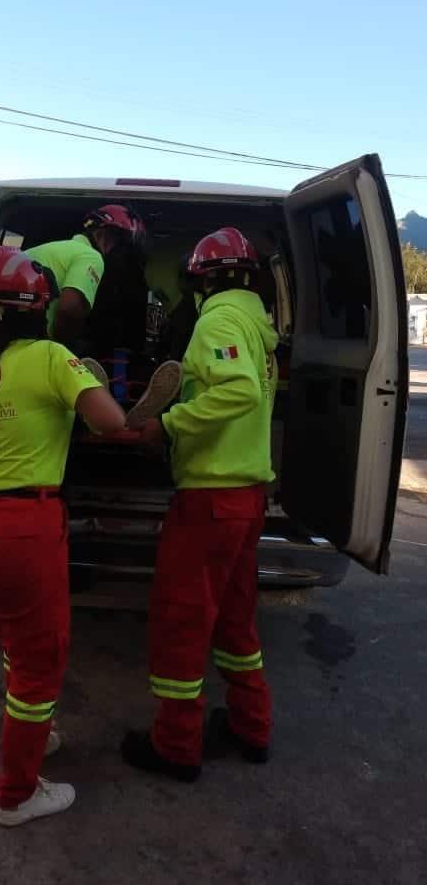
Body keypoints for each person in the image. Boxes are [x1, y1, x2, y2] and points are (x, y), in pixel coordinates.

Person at [0, 247, 125, 826]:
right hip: (19, 533)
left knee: (16, 641)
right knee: (40, 661)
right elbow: (111, 421)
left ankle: (33, 733)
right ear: (38, 309)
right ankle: (17, 794)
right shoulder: (52, 356)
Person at [122, 228, 279, 781]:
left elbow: (238, 391)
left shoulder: (217, 320)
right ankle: (250, 726)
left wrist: (166, 424)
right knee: (235, 622)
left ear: (203, 279)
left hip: (211, 498)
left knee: (181, 622)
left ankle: (176, 745)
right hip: (246, 497)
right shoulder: (257, 327)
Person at [25, 204, 146, 350]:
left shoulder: (50, 249)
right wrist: (63, 348)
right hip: (38, 348)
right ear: (104, 234)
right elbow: (69, 310)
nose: (121, 251)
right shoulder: (91, 256)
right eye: (121, 242)